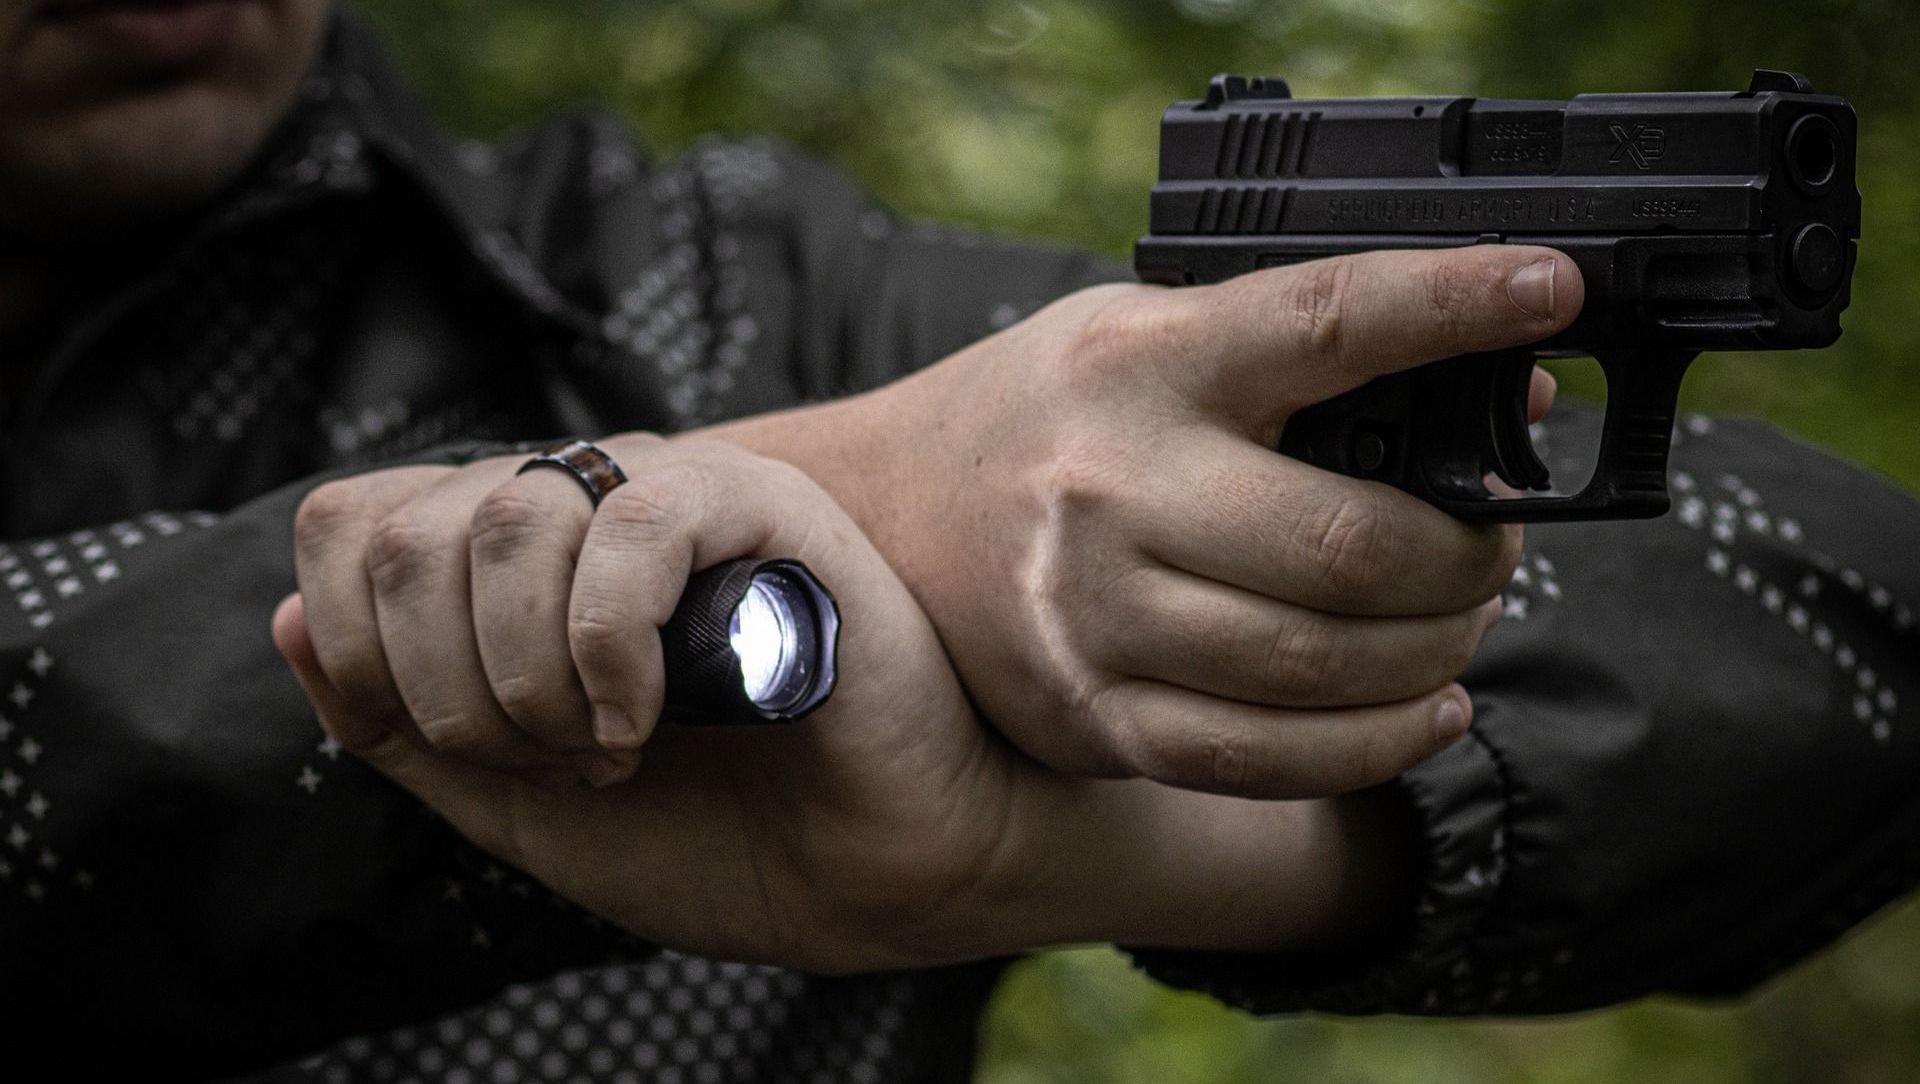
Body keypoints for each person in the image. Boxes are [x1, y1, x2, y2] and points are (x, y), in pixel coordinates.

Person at [1, 1, 1915, 1081]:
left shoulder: (717, 286)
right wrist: (858, 494)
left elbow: (1852, 620)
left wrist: (1101, 838)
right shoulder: (765, 355)